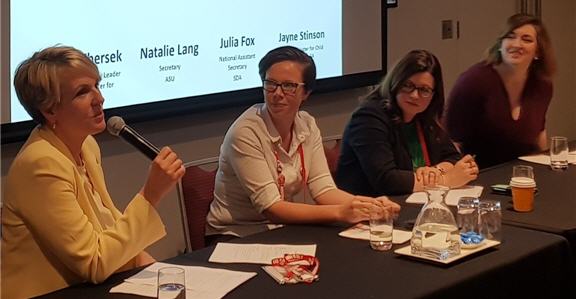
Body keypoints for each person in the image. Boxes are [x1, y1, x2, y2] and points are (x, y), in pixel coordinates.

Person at [1, 46, 185, 299]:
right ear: (50, 110)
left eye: (97, 85)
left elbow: (107, 228)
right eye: (82, 92)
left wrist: (163, 274)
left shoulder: (86, 146)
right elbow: (95, 263)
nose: (99, 98)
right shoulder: (40, 165)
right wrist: (150, 194)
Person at [206, 46, 400, 240]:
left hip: (279, 229)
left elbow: (324, 189)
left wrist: (370, 206)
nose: (277, 93)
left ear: (306, 92)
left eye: (288, 86)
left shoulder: (307, 125)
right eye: (271, 84)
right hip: (234, 234)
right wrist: (341, 212)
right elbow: (271, 208)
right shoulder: (245, 132)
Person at [335, 50, 478, 196]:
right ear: (395, 82)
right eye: (408, 85)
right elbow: (386, 180)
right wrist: (444, 180)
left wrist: (435, 172)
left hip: (410, 203)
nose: (414, 95)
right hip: (369, 208)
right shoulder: (368, 118)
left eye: (424, 90)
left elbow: (453, 157)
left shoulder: (422, 116)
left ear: (434, 95)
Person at [445, 13, 556, 168]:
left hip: (525, 174)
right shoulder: (473, 81)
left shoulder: (542, 85)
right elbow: (452, 142)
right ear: (500, 45)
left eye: (527, 39)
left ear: (538, 51)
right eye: (510, 37)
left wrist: (546, 169)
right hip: (481, 175)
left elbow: (539, 134)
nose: (517, 44)